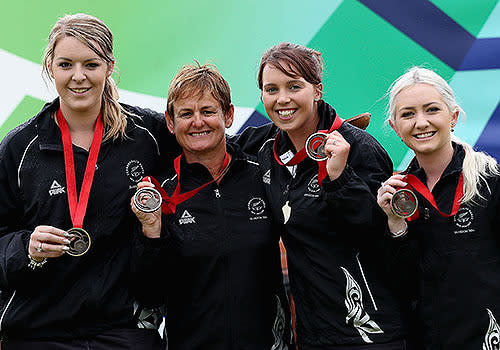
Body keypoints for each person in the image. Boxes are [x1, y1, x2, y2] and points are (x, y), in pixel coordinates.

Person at [0, 13, 178, 348]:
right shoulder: (19, 148)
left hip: (123, 332)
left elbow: (211, 152)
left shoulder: (148, 136)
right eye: (66, 64)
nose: (78, 77)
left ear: (109, 67)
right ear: (50, 67)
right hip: (38, 332)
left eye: (91, 64)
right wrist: (26, 247)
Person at [254, 42, 410, 349]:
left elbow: (380, 236)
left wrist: (339, 180)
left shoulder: (359, 148)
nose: (282, 99)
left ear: (317, 90)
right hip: (312, 335)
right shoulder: (264, 150)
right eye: (271, 89)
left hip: (371, 332)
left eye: (294, 86)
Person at [130, 62, 290, 350]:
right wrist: (151, 229)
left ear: (228, 115)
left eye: (207, 111)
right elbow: (149, 293)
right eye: (186, 114)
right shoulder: (162, 193)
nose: (198, 122)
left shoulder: (261, 175)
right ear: (170, 121)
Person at [377, 67, 500, 349]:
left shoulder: (490, 182)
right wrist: (395, 225)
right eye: (408, 114)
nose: (421, 122)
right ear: (395, 127)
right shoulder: (399, 195)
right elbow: (402, 283)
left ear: (453, 117)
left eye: (431, 110)